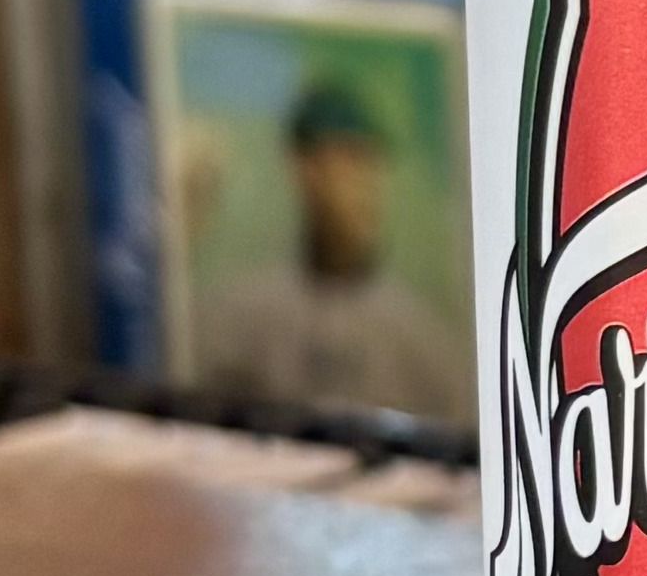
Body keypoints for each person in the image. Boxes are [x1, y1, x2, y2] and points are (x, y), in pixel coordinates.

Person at [203, 80, 474, 421]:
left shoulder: (423, 340)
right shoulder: (243, 321)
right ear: (303, 169)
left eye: (371, 162)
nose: (364, 184)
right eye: (347, 159)